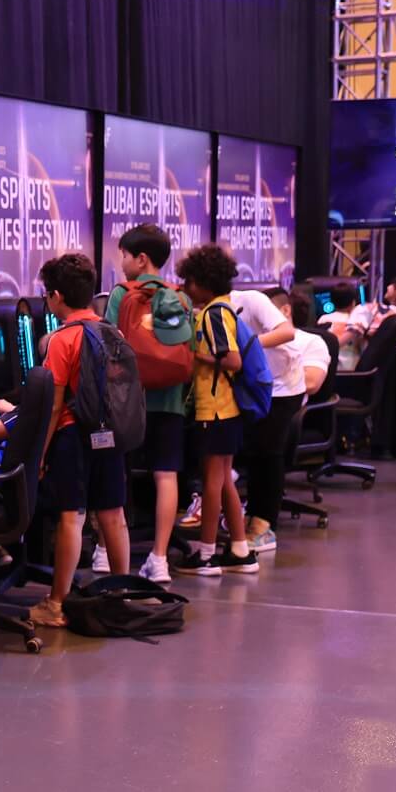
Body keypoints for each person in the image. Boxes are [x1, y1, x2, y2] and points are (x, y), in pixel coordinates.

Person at [26, 252, 131, 627]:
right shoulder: (112, 332)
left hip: (74, 435)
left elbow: (55, 405)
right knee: (113, 514)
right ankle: (122, 594)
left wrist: (39, 452)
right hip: (110, 434)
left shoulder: (62, 339)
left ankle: (56, 603)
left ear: (56, 296)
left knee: (72, 516)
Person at [110, 224, 193, 584]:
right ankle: (159, 558)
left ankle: (108, 551)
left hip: (128, 402)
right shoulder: (182, 298)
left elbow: (109, 347)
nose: (122, 263)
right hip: (171, 401)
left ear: (141, 259)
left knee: (116, 473)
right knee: (166, 474)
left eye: (124, 256)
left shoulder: (120, 294)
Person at [175, 244, 260, 577]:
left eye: (189, 282)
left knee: (212, 482)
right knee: (224, 481)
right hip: (226, 411)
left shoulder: (214, 314)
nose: (186, 287)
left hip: (216, 411)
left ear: (202, 282)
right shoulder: (221, 309)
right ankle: (240, 549)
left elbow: (233, 360)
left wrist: (193, 356)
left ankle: (206, 554)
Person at [230, 287, 298, 558]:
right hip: (252, 383)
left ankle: (265, 523)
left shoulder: (251, 300)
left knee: (267, 452)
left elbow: (287, 332)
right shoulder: (203, 311)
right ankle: (250, 516)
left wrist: (246, 345)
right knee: (252, 452)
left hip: (281, 384)